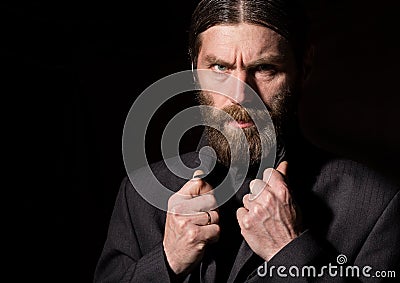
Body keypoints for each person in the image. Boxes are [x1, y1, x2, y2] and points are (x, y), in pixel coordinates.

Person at [93, 0, 400, 282]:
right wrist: (168, 260)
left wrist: (289, 252)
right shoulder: (139, 195)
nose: (240, 95)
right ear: (194, 70)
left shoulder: (376, 205)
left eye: (264, 69)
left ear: (303, 69)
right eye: (220, 67)